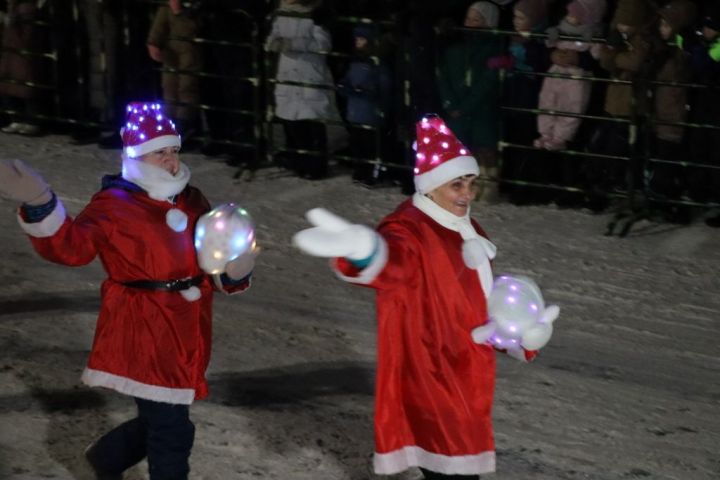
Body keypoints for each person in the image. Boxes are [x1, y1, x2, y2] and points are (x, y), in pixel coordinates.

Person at [0, 101, 256, 480]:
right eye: (159, 153)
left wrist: (234, 269)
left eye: (173, 151)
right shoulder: (114, 206)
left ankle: (106, 458)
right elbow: (73, 247)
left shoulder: (192, 199)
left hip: (186, 329)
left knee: (164, 420)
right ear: (136, 157)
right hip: (141, 328)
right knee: (172, 430)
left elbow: (211, 259)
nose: (170, 161)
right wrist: (40, 203)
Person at [293, 115, 558, 479]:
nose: (467, 194)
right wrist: (367, 251)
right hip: (434, 377)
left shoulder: (464, 225)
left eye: (470, 183)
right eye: (456, 185)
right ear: (431, 187)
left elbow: (476, 302)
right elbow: (395, 264)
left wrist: (517, 335)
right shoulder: (410, 228)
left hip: (468, 376)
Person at [265, 0, 343, 179]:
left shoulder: (316, 14)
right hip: (287, 75)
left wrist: (294, 44)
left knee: (311, 122)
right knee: (292, 123)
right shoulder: (281, 13)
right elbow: (271, 38)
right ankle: (298, 162)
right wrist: (274, 43)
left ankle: (316, 166)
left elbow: (323, 44)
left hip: (309, 74)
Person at [437, 1, 504, 202]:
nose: (470, 23)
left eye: (477, 20)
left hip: (481, 108)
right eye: (469, 18)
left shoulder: (494, 47)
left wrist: (467, 105)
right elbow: (443, 75)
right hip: (456, 108)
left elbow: (488, 81)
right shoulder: (455, 47)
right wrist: (450, 102)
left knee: (485, 147)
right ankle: (464, 185)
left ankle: (488, 186)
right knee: (461, 148)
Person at [535, 0, 607, 151]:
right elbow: (545, 44)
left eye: (574, 15)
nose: (569, 17)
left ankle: (560, 137)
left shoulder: (593, 34)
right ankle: (545, 133)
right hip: (555, 75)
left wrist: (580, 59)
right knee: (547, 101)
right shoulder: (560, 29)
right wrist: (552, 54)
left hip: (576, 79)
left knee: (572, 107)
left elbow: (599, 57)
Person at [336, 23, 392, 187]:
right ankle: (360, 171)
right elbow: (346, 81)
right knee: (358, 145)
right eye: (356, 39)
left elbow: (384, 89)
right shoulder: (355, 62)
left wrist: (369, 95)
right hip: (355, 112)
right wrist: (344, 88)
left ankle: (371, 174)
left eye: (361, 39)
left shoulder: (378, 65)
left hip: (370, 114)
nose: (357, 42)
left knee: (370, 146)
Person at [147, 0, 204, 138]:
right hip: (171, 46)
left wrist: (182, 12)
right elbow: (163, 12)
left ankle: (185, 124)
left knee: (187, 85)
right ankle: (170, 123)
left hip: (190, 44)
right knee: (169, 84)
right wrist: (154, 40)